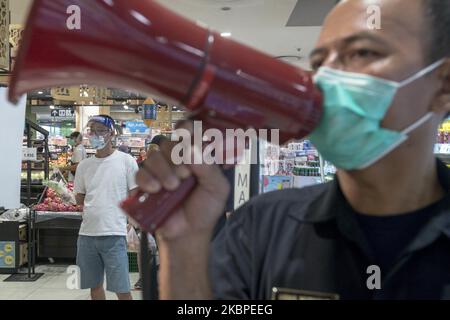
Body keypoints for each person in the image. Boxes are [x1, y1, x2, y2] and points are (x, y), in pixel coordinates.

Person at [135, 0, 450, 300]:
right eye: (318, 63)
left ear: (444, 85)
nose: (325, 79)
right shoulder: (262, 225)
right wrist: (184, 245)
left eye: (362, 52)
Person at [74, 115, 139, 300]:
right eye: (91, 130)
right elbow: (80, 198)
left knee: (122, 288)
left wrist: (131, 222)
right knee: (94, 286)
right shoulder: (84, 166)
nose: (95, 134)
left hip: (114, 232)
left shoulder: (126, 161)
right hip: (87, 234)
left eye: (100, 130)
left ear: (111, 133)